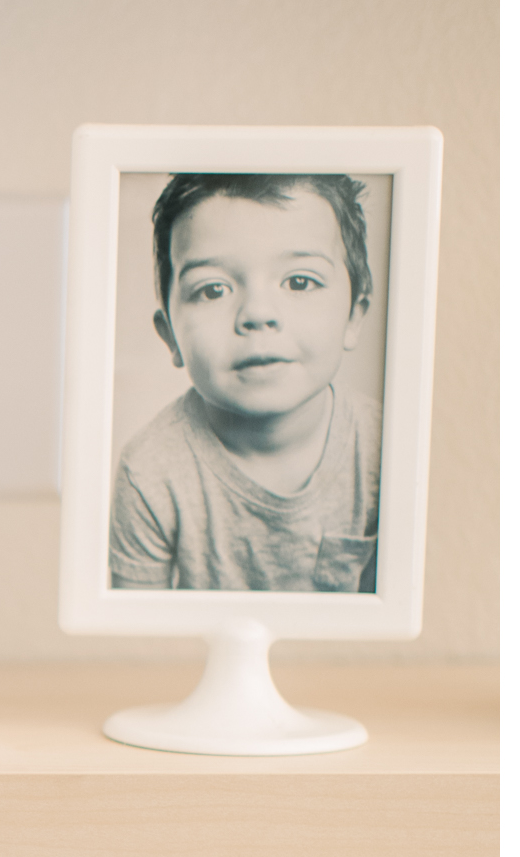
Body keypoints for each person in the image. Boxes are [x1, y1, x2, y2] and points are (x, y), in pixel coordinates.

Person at [109, 172, 381, 592]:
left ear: (355, 316)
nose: (257, 313)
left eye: (299, 281)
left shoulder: (383, 450)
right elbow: (137, 640)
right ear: (170, 336)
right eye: (213, 290)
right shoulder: (150, 470)